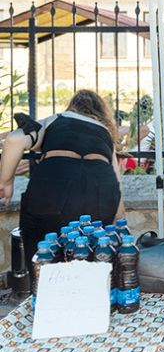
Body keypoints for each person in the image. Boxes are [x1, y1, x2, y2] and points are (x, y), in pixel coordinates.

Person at [0, 89, 126, 272]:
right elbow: (117, 187)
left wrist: (6, 182)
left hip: (54, 184)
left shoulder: (55, 121)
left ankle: (45, 293)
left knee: (42, 254)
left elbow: (14, 139)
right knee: (92, 261)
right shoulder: (105, 133)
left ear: (72, 107)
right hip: (101, 191)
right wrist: (118, 223)